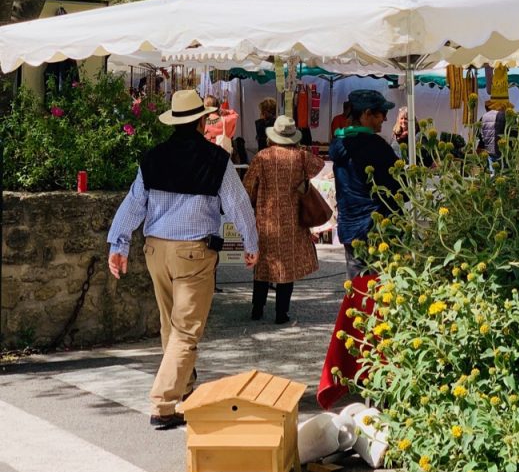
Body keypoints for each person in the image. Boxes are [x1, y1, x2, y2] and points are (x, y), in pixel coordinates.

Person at [107, 90, 258, 430]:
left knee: (170, 326)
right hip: (193, 252)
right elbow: (238, 205)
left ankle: (187, 392)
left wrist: (118, 243)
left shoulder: (153, 157)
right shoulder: (216, 159)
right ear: (203, 121)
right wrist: (252, 242)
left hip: (155, 249)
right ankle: (162, 404)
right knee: (187, 332)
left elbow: (134, 203)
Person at [243, 116, 325, 325]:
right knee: (286, 267)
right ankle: (281, 313)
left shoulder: (262, 157)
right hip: (292, 217)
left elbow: (249, 186)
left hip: (266, 217)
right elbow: (320, 165)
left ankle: (257, 308)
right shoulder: (301, 157)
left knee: (262, 264)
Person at [329, 90, 402, 280]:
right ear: (367, 114)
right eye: (382, 114)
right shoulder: (376, 146)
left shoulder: (338, 143)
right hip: (377, 226)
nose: (385, 119)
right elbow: (399, 186)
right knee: (382, 284)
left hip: (349, 223)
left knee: (357, 283)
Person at [479, 98, 514, 168]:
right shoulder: (508, 117)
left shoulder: (483, 116)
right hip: (505, 153)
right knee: (504, 175)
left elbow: (480, 136)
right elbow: (514, 135)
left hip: (488, 153)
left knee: (490, 176)